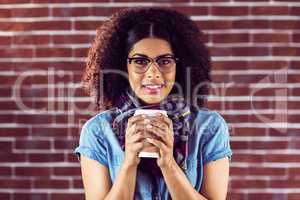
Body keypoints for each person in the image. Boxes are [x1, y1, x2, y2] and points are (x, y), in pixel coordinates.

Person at [75, 7, 232, 200]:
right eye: (140, 61)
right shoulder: (97, 131)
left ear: (179, 66)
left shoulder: (209, 127)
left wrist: (168, 162)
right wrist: (129, 162)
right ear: (123, 66)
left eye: (164, 61)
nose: (153, 73)